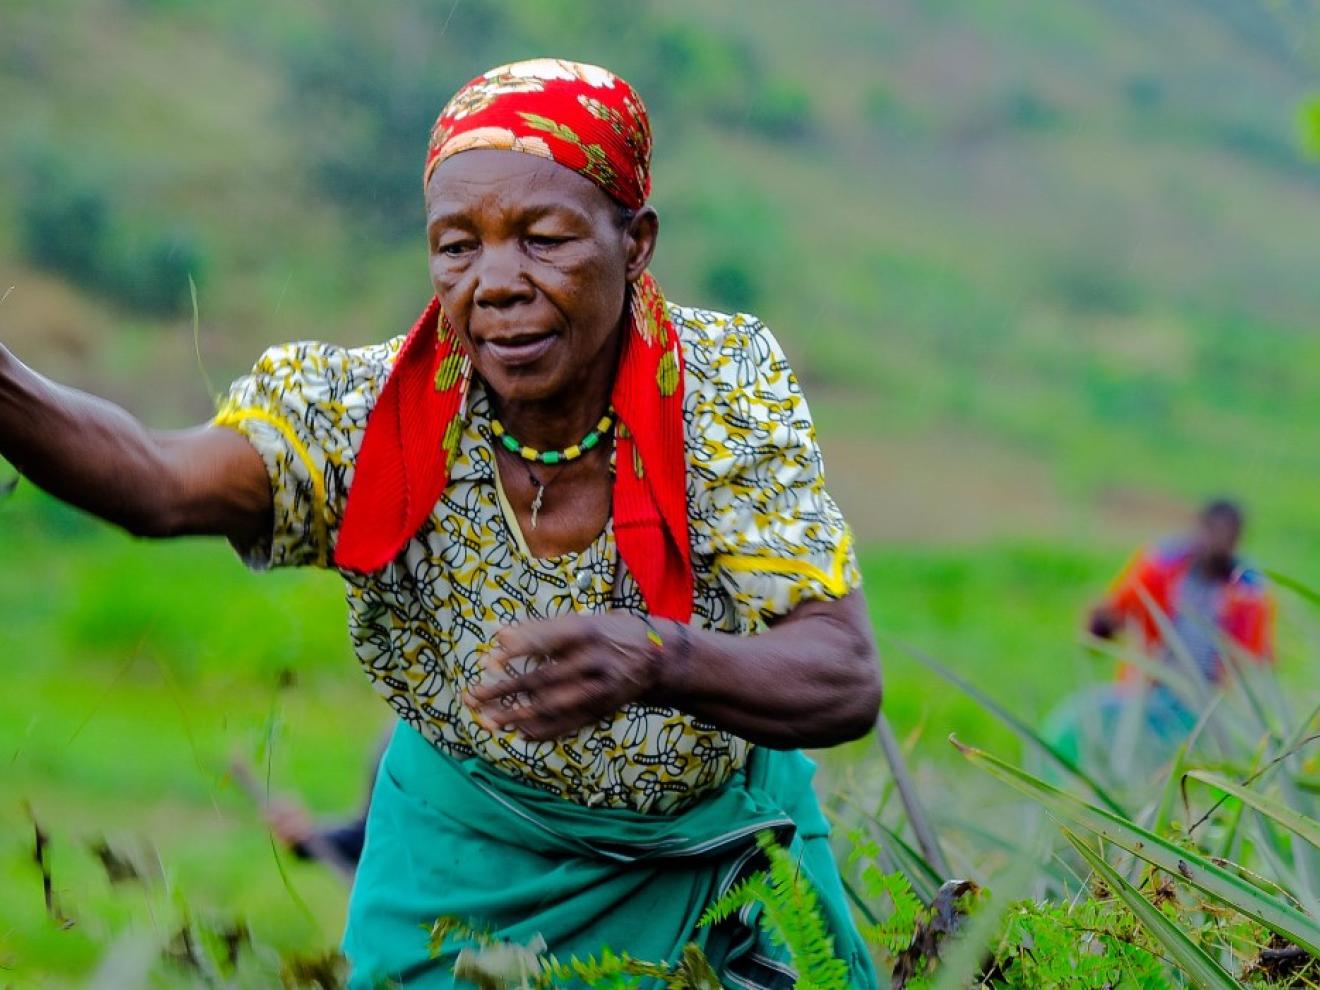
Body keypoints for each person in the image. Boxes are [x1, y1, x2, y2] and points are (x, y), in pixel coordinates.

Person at [1, 59, 881, 988]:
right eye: (458, 246)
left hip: (721, 873)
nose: (495, 282)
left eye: (543, 238)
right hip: (459, 884)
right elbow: (157, 481)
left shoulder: (720, 393)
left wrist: (658, 659)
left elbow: (843, 674)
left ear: (636, 243)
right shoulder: (365, 415)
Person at [1089, 499, 1275, 684]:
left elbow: (1255, 659)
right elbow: (1113, 615)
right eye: (1213, 531)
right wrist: (1102, 621)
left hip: (1208, 697)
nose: (1218, 542)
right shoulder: (1161, 567)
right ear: (1199, 527)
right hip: (1150, 685)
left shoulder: (1248, 591)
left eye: (1227, 535)